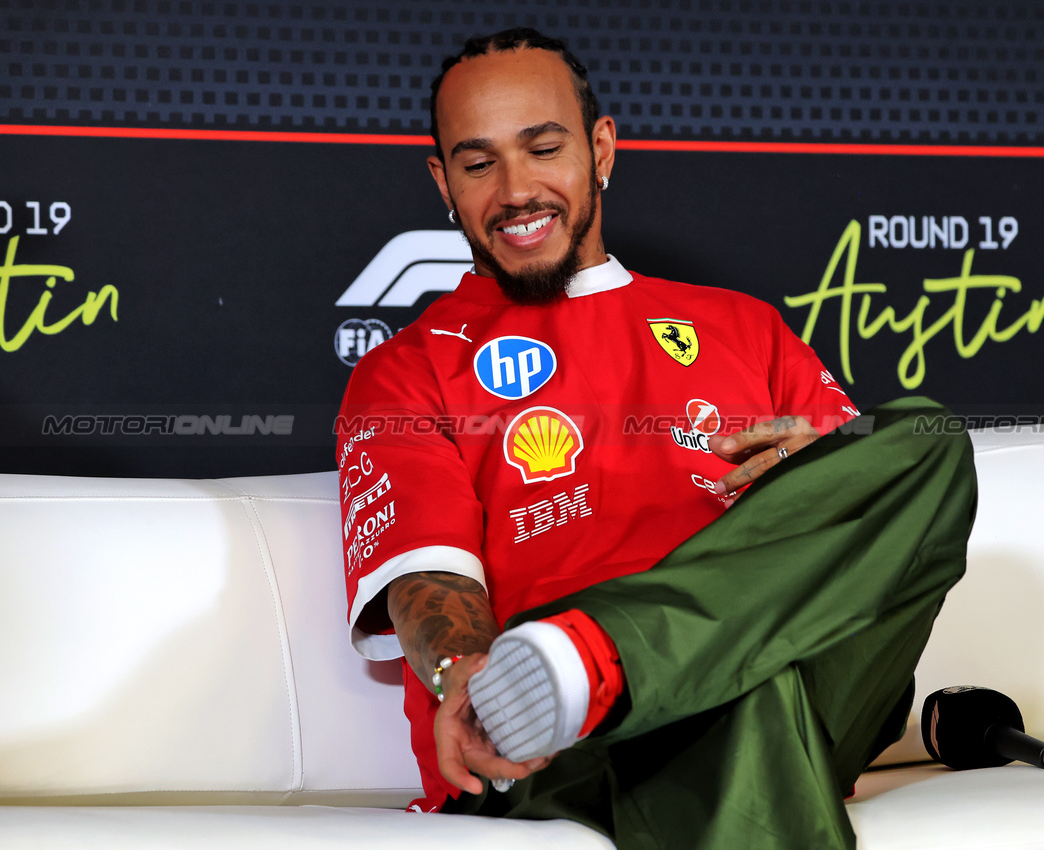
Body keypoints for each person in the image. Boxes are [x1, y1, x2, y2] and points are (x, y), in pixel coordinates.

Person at [336, 28, 976, 850]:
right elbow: (426, 581)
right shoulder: (404, 371)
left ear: (601, 148)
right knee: (752, 691)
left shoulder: (744, 327)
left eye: (543, 148)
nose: (516, 189)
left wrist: (812, 477)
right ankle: (591, 672)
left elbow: (874, 522)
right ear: (443, 182)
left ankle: (599, 656)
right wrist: (467, 673)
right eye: (478, 162)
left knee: (921, 435)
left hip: (785, 671)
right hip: (566, 749)